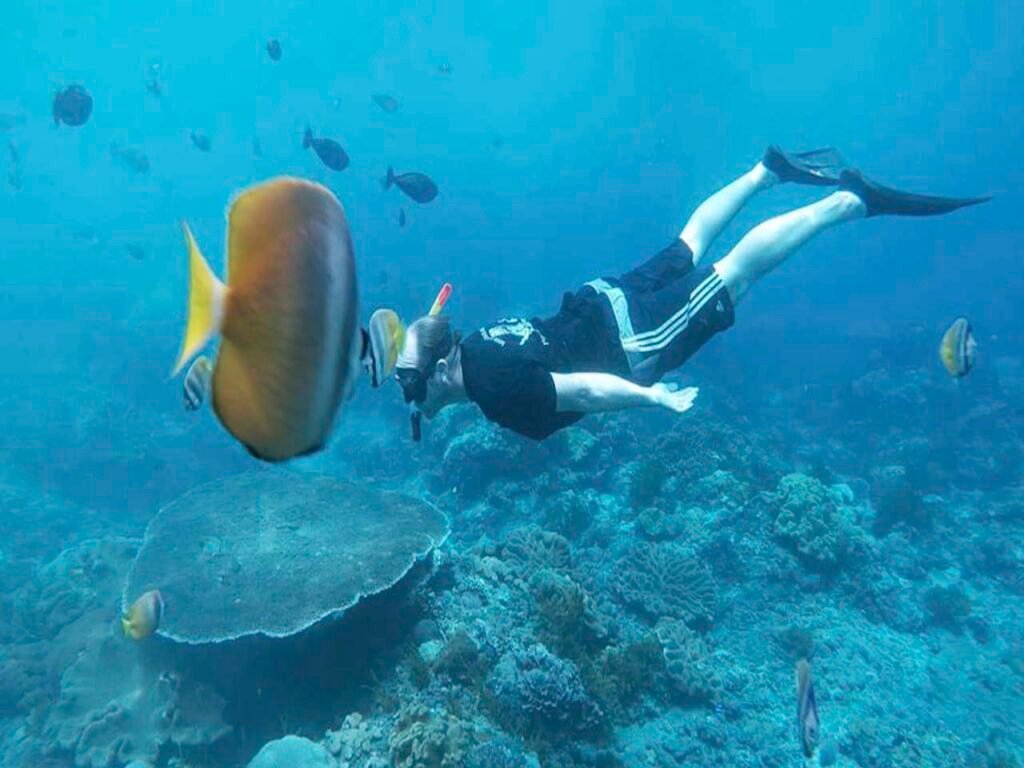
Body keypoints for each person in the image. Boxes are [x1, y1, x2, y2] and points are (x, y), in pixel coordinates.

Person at [391, 146, 989, 441]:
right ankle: (769, 171)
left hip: (628, 341)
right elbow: (431, 328)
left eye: (406, 385)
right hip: (601, 299)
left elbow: (587, 390)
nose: (409, 398)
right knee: (688, 246)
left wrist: (655, 401)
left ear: (435, 374)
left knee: (734, 276)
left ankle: (848, 201)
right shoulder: (472, 344)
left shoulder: (492, 391)